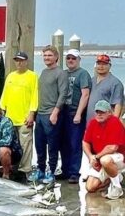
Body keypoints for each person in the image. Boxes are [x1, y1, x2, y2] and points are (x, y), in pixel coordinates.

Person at [0, 51, 38, 182]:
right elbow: (4, 95)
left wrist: (32, 113)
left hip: (24, 118)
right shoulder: (10, 76)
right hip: (10, 118)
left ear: (26, 61)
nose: (19, 63)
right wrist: (2, 109)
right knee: (10, 145)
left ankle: (25, 170)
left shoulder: (32, 76)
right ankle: (11, 168)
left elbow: (35, 96)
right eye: (17, 60)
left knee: (25, 145)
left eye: (21, 60)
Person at [33, 46, 69, 185]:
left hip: (52, 114)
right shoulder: (43, 72)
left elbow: (63, 94)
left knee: (52, 146)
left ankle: (51, 171)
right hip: (40, 115)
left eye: (49, 55)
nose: (46, 58)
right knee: (39, 145)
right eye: (45, 56)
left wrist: (55, 112)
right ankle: (40, 169)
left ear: (56, 57)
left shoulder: (60, 73)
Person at [59, 49, 91, 183]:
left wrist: (78, 113)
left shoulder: (83, 74)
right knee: (63, 143)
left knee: (75, 144)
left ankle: (74, 172)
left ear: (78, 60)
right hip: (63, 112)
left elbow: (85, 94)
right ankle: (65, 170)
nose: (70, 60)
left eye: (73, 58)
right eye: (68, 58)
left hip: (75, 112)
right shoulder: (63, 73)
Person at [82, 100, 125, 199]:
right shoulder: (93, 122)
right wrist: (90, 156)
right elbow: (85, 142)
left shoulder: (115, 122)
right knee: (90, 187)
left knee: (105, 160)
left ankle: (117, 188)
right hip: (100, 158)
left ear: (109, 113)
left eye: (102, 112)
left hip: (119, 157)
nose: (99, 114)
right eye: (97, 112)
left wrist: (96, 157)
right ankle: (115, 177)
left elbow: (113, 147)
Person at [85, 54, 124, 125]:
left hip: (105, 123)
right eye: (99, 64)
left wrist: (113, 123)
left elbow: (118, 105)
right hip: (90, 123)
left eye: (104, 64)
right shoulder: (92, 80)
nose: (101, 66)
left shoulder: (115, 83)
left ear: (110, 66)